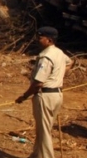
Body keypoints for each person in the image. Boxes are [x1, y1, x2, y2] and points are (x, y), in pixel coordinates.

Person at [15, 27, 71, 158]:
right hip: (57, 95)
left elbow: (38, 83)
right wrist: (58, 76)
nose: (37, 40)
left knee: (44, 131)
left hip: (45, 96)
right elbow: (70, 63)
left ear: (49, 40)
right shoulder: (59, 53)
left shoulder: (46, 56)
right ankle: (36, 155)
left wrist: (24, 96)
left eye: (40, 38)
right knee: (43, 129)